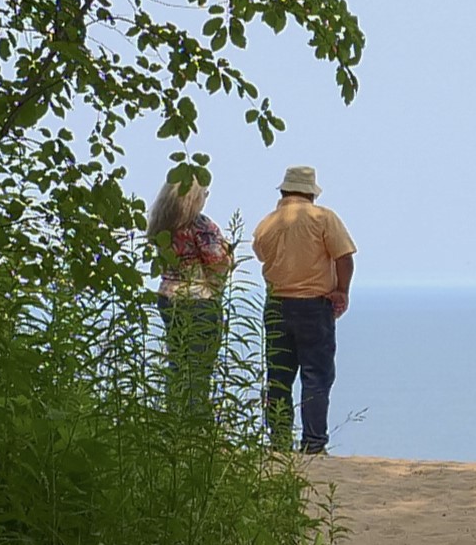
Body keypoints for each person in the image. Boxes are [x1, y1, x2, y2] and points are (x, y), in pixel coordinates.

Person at [251, 165, 354, 454]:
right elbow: (344, 256)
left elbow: (260, 253)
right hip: (313, 304)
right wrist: (342, 291)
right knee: (316, 376)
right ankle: (313, 443)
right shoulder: (323, 218)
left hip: (276, 306)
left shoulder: (267, 223)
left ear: (283, 191)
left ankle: (279, 442)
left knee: (279, 376)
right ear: (311, 193)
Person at [148, 172, 233, 424]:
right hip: (199, 298)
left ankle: (175, 417)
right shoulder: (201, 226)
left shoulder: (161, 224)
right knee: (199, 365)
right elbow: (218, 261)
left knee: (177, 361)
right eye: (205, 194)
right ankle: (197, 423)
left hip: (168, 296)